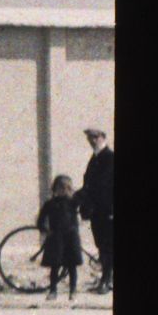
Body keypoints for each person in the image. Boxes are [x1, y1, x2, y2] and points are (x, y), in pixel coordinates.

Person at [36, 175, 84, 300]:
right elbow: (41, 220)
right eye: (61, 187)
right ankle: (53, 291)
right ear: (55, 189)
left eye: (68, 188)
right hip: (56, 238)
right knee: (54, 266)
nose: (64, 190)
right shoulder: (50, 204)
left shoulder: (73, 203)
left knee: (72, 266)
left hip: (71, 237)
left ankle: (73, 291)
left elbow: (85, 206)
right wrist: (45, 230)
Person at [78, 127, 113, 292]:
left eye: (95, 137)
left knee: (107, 246)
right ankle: (106, 279)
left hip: (107, 211)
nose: (92, 140)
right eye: (89, 138)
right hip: (97, 210)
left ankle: (106, 281)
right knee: (102, 245)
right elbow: (89, 184)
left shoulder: (109, 158)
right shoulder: (95, 158)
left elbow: (101, 185)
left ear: (103, 137)